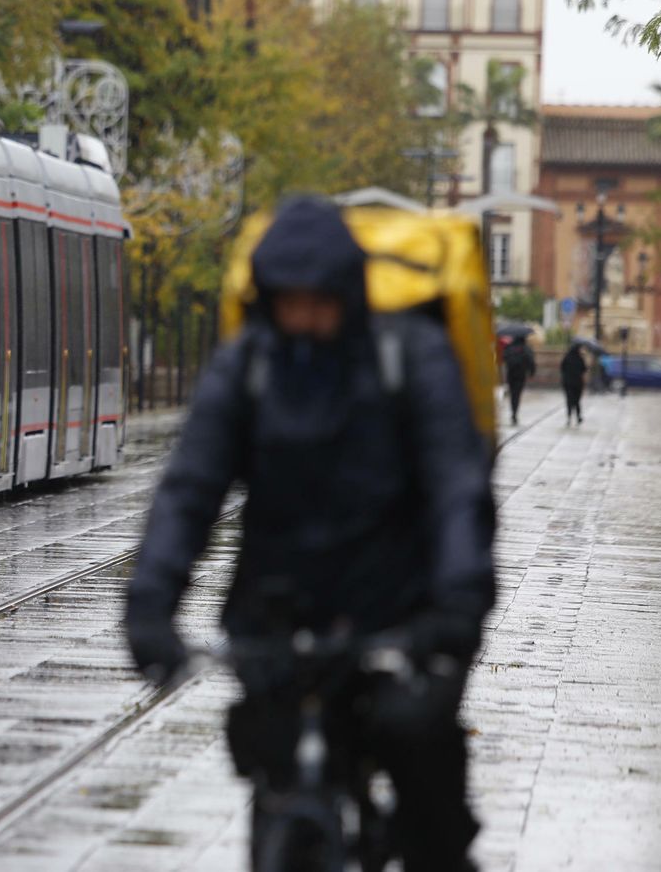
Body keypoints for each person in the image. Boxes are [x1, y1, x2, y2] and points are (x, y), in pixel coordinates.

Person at [124, 197, 494, 872]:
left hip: (398, 615)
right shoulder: (249, 366)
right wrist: (150, 604)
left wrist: (458, 604)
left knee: (417, 746)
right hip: (278, 616)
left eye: (319, 303)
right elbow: (190, 488)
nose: (305, 319)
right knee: (272, 762)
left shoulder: (411, 357)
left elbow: (455, 489)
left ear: (349, 294)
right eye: (289, 304)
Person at [502, 334, 535, 426]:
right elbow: (531, 361)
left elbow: (503, 358)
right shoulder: (526, 348)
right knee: (517, 394)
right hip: (521, 375)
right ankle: (515, 412)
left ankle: (513, 410)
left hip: (511, 374)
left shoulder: (509, 347)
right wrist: (531, 372)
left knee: (512, 394)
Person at [561, 343, 588, 425]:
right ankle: (578, 416)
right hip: (577, 383)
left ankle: (569, 417)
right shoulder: (580, 358)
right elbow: (584, 369)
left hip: (567, 383)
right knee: (577, 400)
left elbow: (562, 368)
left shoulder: (567, 357)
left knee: (569, 400)